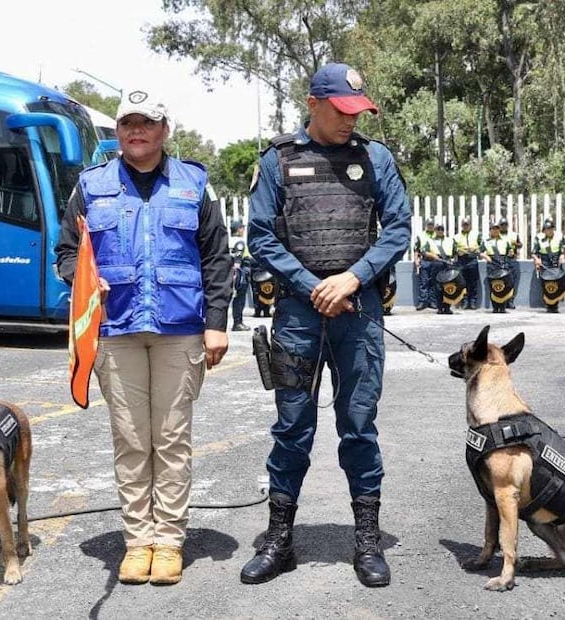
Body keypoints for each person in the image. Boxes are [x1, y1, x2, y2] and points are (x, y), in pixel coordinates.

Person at [241, 62, 410, 588]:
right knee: (292, 426)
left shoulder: (375, 158)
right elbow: (261, 236)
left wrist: (353, 278)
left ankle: (367, 539)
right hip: (298, 315)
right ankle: (278, 539)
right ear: (313, 103)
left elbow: (399, 227)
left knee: (358, 425)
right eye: (341, 111)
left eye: (357, 113)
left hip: (357, 314)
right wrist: (315, 283)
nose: (348, 122)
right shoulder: (279, 160)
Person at [54, 90, 232, 586]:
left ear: (164, 130)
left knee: (172, 439)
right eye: (128, 123)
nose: (137, 131)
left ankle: (170, 540)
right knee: (131, 439)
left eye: (147, 123)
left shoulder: (194, 183)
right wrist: (83, 276)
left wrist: (217, 323)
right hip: (116, 327)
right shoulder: (90, 186)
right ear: (117, 131)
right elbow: (66, 252)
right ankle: (138, 541)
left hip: (181, 328)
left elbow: (217, 257)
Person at [482, 221, 514, 313]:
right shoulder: (487, 242)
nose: (495, 230)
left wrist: (511, 253)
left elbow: (510, 250)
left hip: (502, 263)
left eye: (497, 228)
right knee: (494, 286)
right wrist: (485, 256)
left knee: (504, 285)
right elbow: (479, 251)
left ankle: (503, 306)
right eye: (493, 228)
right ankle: (495, 307)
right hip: (492, 264)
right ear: (490, 230)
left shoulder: (505, 240)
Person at [453, 217, 483, 310]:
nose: (465, 226)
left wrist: (476, 250)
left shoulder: (477, 234)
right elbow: (452, 249)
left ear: (470, 225)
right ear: (461, 225)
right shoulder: (456, 236)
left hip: (472, 259)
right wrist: (458, 251)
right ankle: (465, 301)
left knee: (473, 282)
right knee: (462, 282)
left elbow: (483, 246)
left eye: (467, 224)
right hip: (461, 260)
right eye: (464, 224)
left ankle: (473, 301)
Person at [229, 219, 252, 331]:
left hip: (234, 273)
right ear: (239, 229)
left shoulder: (229, 241)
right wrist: (237, 276)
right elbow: (237, 261)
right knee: (239, 299)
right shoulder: (240, 243)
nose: (243, 230)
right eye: (242, 228)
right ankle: (238, 323)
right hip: (240, 274)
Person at [412, 220, 438, 311]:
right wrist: (416, 261)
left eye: (432, 224)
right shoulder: (421, 236)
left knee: (433, 282)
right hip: (425, 261)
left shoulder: (437, 235)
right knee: (423, 282)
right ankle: (423, 302)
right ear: (426, 225)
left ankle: (433, 302)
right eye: (429, 224)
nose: (430, 226)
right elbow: (416, 249)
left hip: (435, 261)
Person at [498, 217, 522, 309]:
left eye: (505, 225)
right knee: (503, 281)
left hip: (512, 259)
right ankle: (503, 300)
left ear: (507, 226)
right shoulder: (497, 235)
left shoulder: (513, 235)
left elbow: (520, 245)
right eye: (502, 225)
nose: (503, 227)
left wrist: (515, 244)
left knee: (514, 281)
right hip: (501, 260)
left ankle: (511, 301)